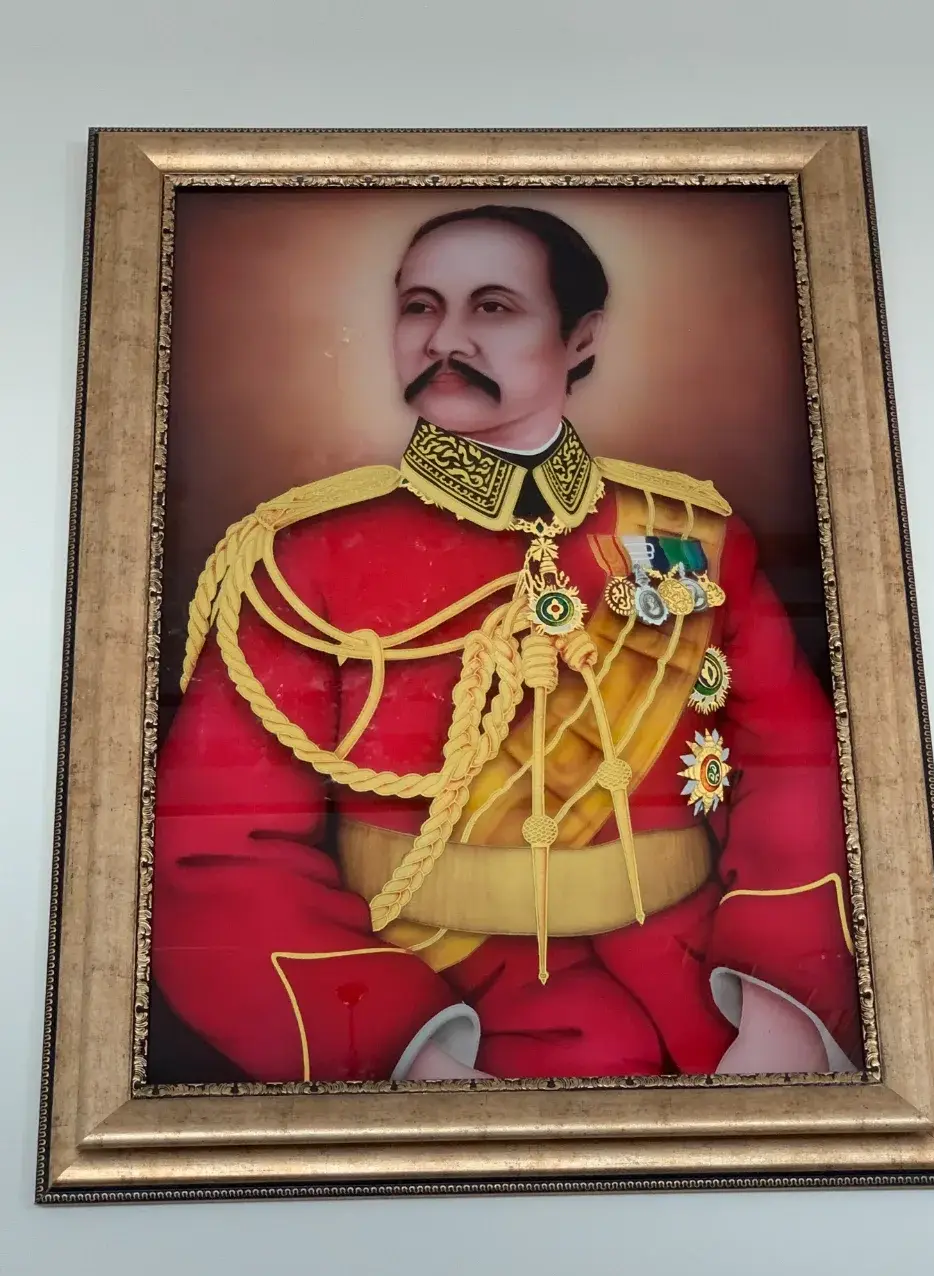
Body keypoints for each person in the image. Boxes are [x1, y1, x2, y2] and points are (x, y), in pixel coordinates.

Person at [153, 204, 862, 1084]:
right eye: (420, 307)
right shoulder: (303, 556)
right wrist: (411, 1056)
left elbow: (796, 767)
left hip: (706, 978)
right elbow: (220, 851)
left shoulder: (688, 531)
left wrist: (782, 1011)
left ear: (581, 337)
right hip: (439, 993)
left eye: (491, 307)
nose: (444, 338)